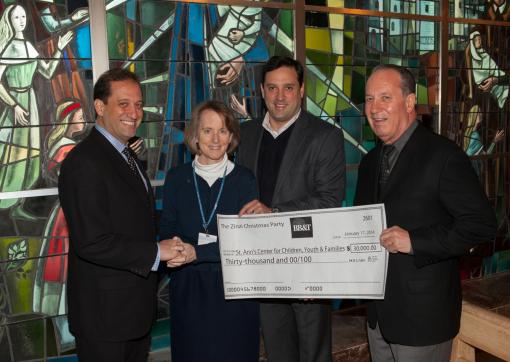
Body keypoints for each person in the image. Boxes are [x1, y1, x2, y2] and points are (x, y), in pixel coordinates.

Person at [355, 64, 497, 362]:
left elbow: (482, 225)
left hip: (422, 319)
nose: (375, 108)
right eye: (369, 99)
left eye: (385, 97)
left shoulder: (444, 156)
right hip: (378, 316)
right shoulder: (370, 162)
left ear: (409, 103)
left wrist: (415, 242)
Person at [58, 68, 182, 362]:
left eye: (138, 104)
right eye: (123, 104)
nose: (134, 112)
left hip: (132, 312)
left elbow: (137, 221)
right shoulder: (84, 162)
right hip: (105, 318)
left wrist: (176, 242)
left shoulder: (127, 156)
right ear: (100, 107)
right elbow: (92, 242)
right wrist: (156, 252)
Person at [237, 55, 346, 362]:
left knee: (313, 352)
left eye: (288, 87)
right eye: (272, 88)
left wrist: (273, 212)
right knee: (277, 350)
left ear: (301, 91)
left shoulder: (325, 136)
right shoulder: (245, 135)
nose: (279, 96)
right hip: (263, 264)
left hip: (307, 261)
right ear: (261, 90)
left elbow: (329, 200)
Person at [160, 100, 260, 362]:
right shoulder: (176, 178)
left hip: (234, 293)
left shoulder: (245, 180)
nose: (215, 139)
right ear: (195, 135)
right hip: (188, 290)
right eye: (207, 131)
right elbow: (167, 229)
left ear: (231, 137)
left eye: (223, 131)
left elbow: (247, 241)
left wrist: (197, 251)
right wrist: (177, 249)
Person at [0, 4, 73, 220]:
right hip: (17, 105)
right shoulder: (8, 48)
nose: (21, 20)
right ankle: (7, 203)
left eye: (23, 16)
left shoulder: (30, 47)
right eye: (16, 17)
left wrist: (58, 48)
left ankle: (20, 205)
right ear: (9, 21)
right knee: (13, 153)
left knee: (32, 154)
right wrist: (13, 105)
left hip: (31, 104)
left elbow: (48, 72)